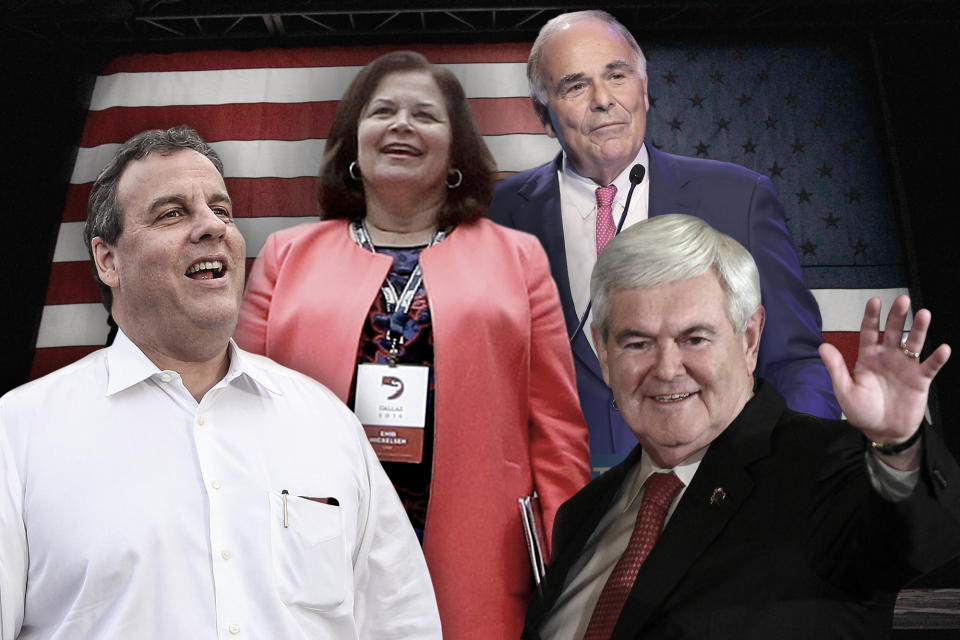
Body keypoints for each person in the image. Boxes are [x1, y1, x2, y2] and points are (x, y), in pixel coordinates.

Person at [0, 126, 442, 639]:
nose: (212, 227)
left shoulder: (325, 424)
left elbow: (402, 624)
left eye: (222, 210)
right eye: (171, 213)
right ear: (107, 260)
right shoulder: (19, 434)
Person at [234, 51, 591, 639]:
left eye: (426, 115)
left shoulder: (519, 257)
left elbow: (556, 431)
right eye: (383, 111)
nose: (402, 124)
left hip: (480, 551)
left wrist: (571, 563)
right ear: (354, 142)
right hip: (310, 552)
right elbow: (241, 418)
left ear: (455, 151)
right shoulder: (284, 255)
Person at [523, 214, 960, 639]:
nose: (668, 369)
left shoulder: (831, 470)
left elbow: (922, 537)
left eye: (694, 339)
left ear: (750, 338)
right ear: (602, 353)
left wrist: (898, 446)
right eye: (637, 343)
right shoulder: (579, 516)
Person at [488, 10, 839, 467]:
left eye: (617, 76)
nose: (602, 100)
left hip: (721, 493)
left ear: (645, 90)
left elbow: (793, 361)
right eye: (575, 86)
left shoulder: (740, 199)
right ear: (543, 114)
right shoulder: (496, 215)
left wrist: (794, 470)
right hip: (565, 501)